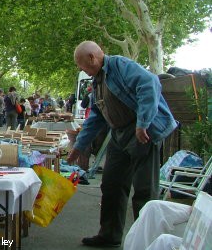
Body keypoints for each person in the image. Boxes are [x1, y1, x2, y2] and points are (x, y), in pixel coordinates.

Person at [67, 41, 177, 248]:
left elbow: (150, 83)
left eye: (81, 64)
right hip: (119, 134)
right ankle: (110, 235)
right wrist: (79, 146)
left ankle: (147, 242)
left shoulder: (119, 65)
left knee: (145, 190)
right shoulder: (97, 81)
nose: (80, 69)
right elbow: (95, 118)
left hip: (141, 131)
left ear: (92, 58)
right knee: (111, 185)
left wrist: (143, 123)